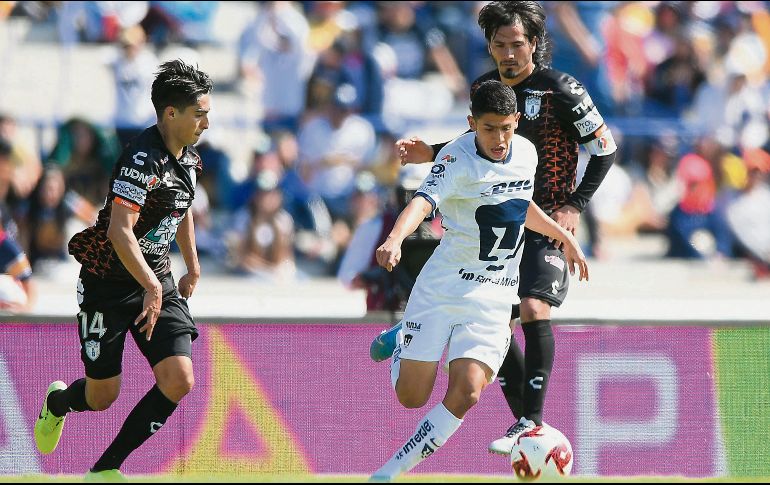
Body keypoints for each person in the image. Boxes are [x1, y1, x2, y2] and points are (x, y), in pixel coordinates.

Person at [370, 1, 617, 455]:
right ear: (489, 45)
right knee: (495, 326)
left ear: (535, 44)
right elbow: (482, 141)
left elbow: (605, 148)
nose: (508, 54)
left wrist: (575, 205)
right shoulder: (485, 87)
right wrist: (434, 151)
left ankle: (530, 422)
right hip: (496, 225)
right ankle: (415, 333)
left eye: (517, 44)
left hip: (542, 219)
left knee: (533, 308)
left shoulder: (562, 88)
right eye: (499, 45)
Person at [370, 80, 588, 481]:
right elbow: (422, 201)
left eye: (506, 127)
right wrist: (395, 238)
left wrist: (565, 236)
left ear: (517, 121)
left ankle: (388, 473)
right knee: (411, 397)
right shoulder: (455, 159)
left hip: (494, 295)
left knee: (468, 390)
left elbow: (519, 207)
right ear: (472, 124)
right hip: (443, 287)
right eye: (489, 129)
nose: (500, 138)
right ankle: (404, 338)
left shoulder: (526, 152)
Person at [33, 59, 212, 480]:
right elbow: (119, 231)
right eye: (199, 111)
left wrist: (192, 265)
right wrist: (150, 284)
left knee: (179, 378)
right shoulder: (140, 159)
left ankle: (106, 469)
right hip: (108, 283)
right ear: (171, 113)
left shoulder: (189, 159)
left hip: (157, 279)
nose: (207, 120)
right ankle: (58, 404)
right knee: (102, 396)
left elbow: (181, 209)